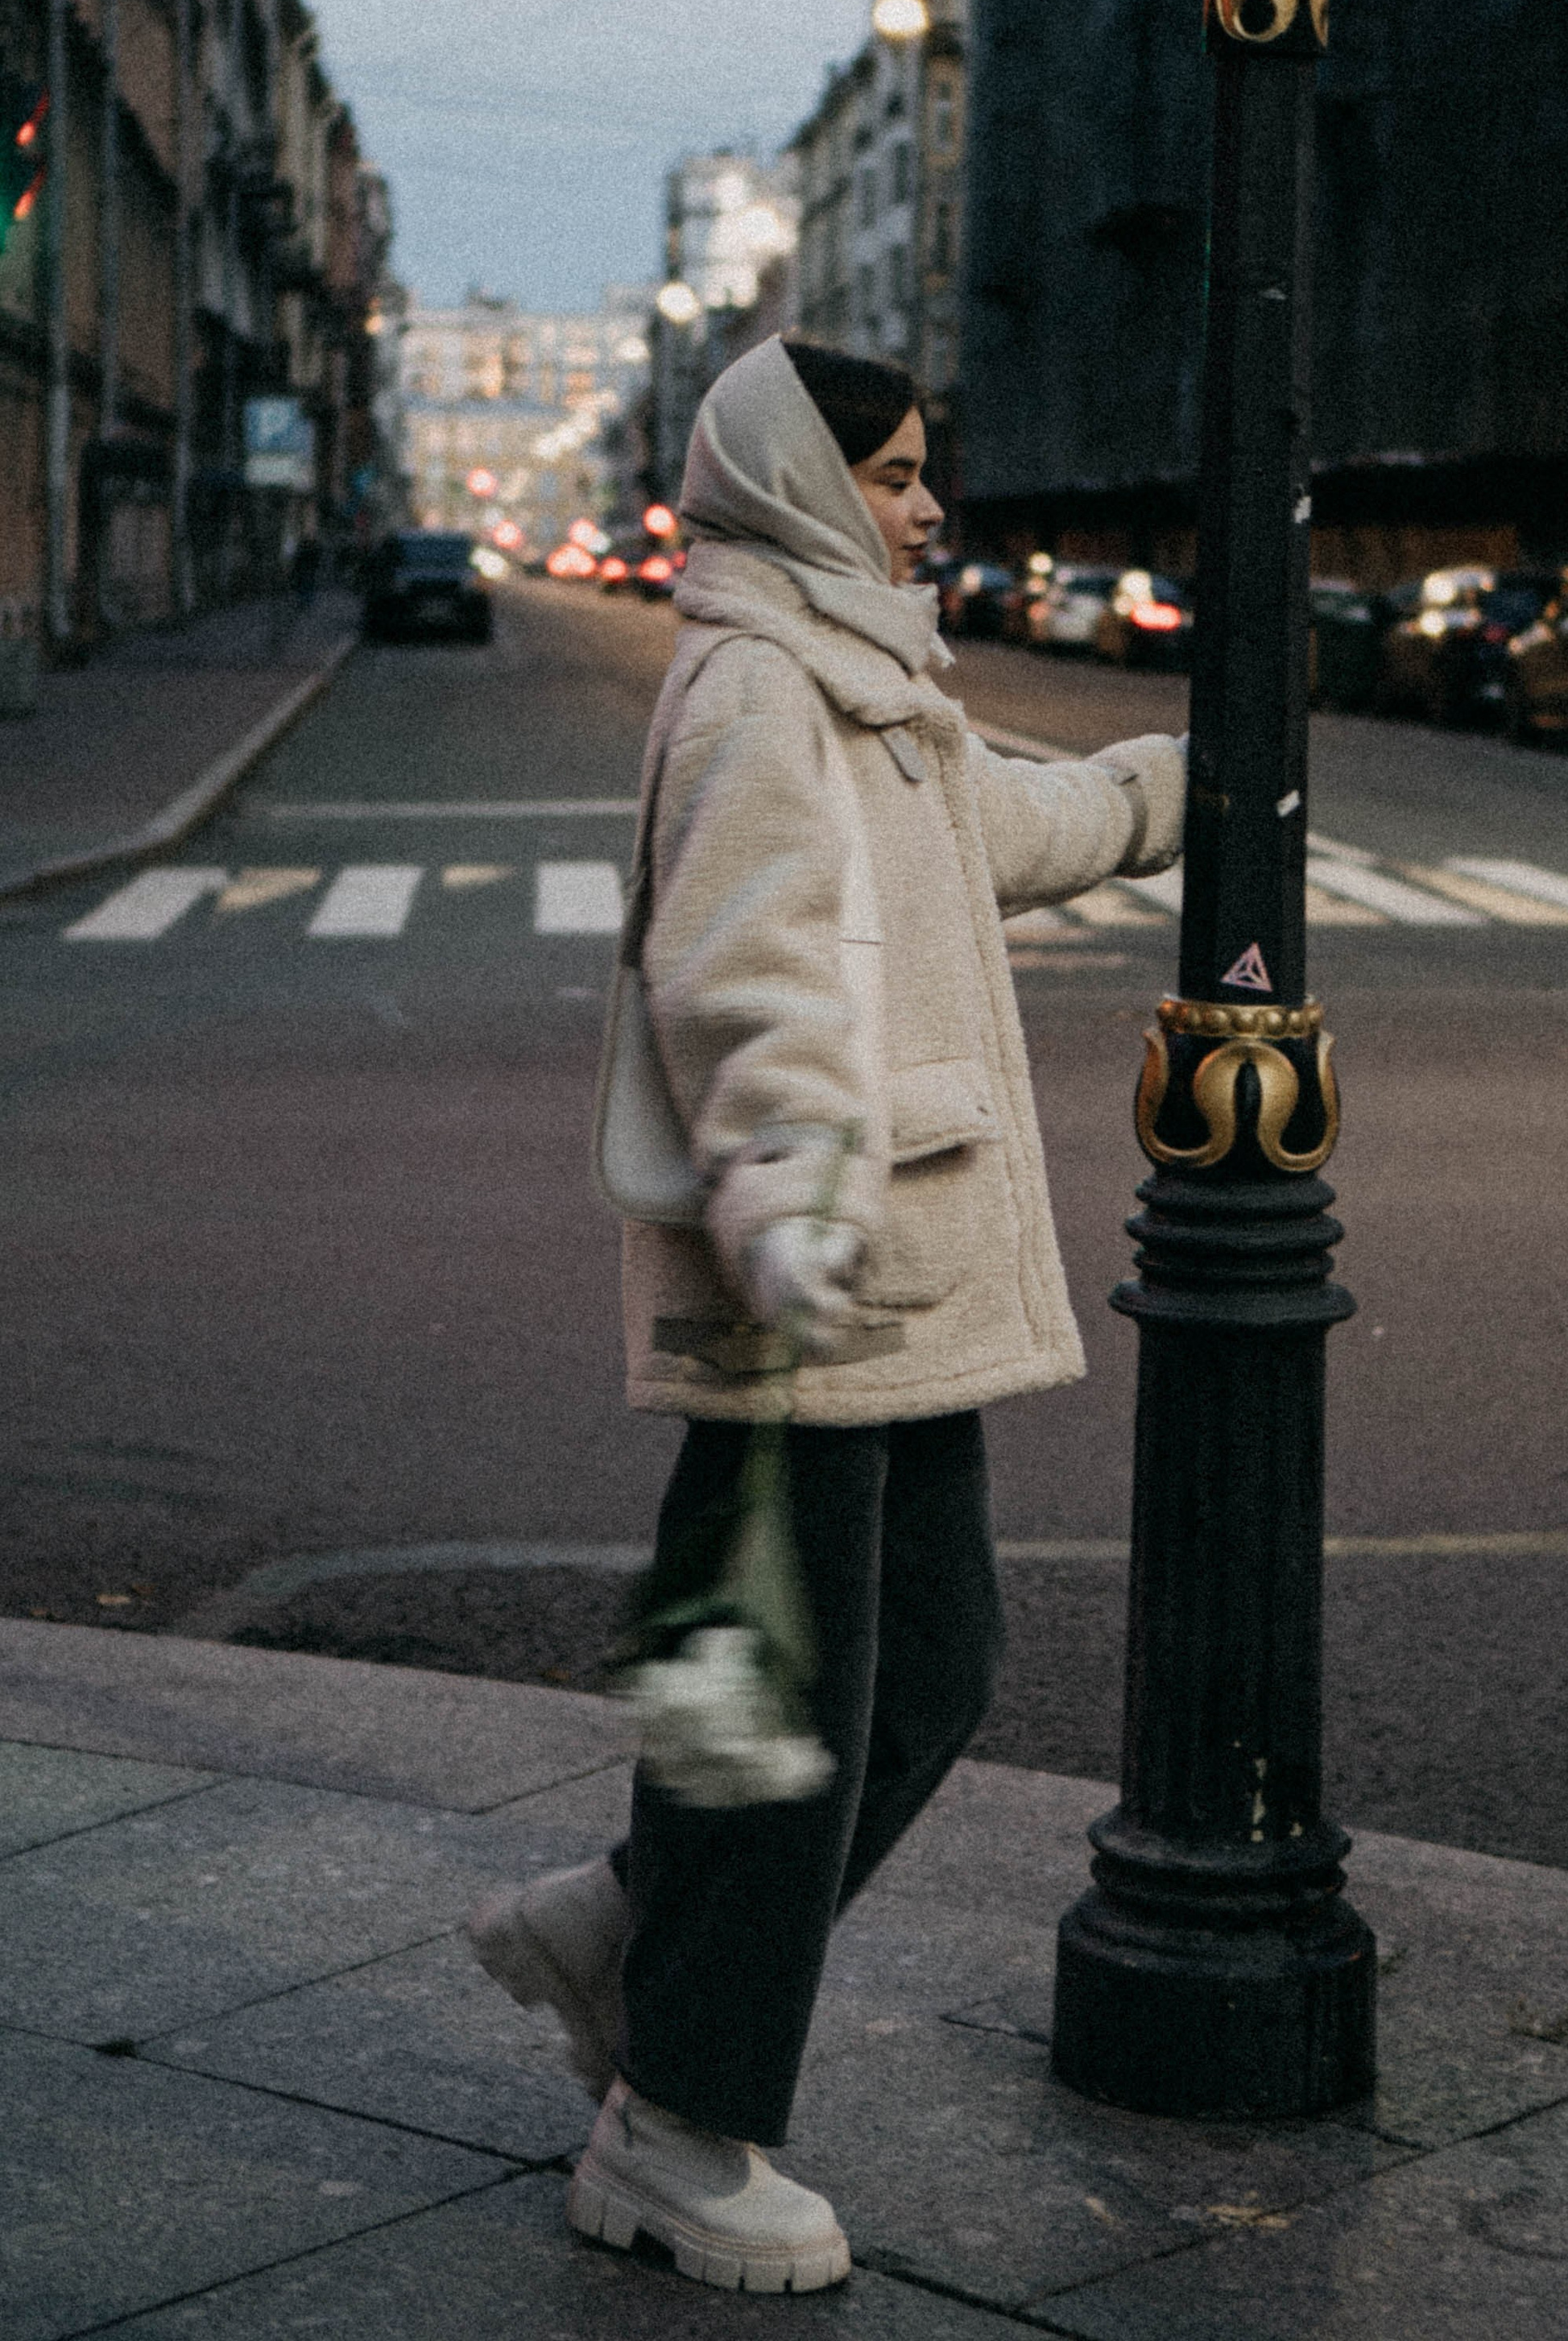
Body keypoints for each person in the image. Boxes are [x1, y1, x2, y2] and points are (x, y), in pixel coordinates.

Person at [469, 334, 1185, 2296]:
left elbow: (980, 841)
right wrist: (788, 1185)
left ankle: (620, 1933)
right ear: (794, 481)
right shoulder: (756, 687)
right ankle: (680, 2131)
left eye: (923, 471)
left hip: (891, 1267)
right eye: (886, 473)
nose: (925, 503)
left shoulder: (859, 674)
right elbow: (739, 962)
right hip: (824, 1271)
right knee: (785, 1718)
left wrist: (1160, 795)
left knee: (919, 1671)